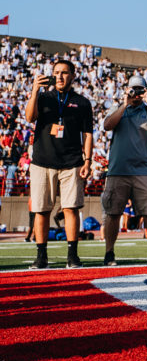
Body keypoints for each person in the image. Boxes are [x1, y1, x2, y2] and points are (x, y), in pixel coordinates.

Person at [25, 59, 93, 269]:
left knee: (71, 208)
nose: (60, 76)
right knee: (42, 210)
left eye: (64, 72)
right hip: (42, 161)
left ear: (73, 75)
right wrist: (34, 91)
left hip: (72, 162)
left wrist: (88, 160)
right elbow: (29, 117)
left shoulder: (82, 102)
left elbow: (88, 134)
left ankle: (72, 255)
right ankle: (41, 256)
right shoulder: (43, 97)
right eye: (56, 72)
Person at [100, 76, 147, 266]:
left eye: (140, 90)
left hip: (143, 170)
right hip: (118, 170)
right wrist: (124, 104)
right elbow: (107, 125)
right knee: (113, 213)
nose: (136, 93)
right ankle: (109, 253)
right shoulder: (119, 107)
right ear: (127, 89)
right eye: (133, 89)